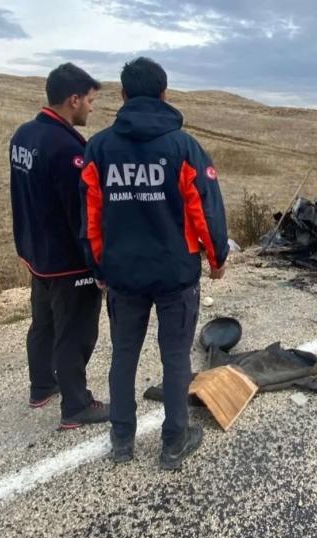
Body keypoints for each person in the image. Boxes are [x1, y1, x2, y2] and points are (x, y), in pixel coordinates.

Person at [79, 57, 229, 469]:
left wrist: (97, 267)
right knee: (176, 357)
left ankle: (121, 440)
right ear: (164, 94)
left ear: (123, 95)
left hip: (122, 274)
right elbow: (206, 210)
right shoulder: (183, 147)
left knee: (124, 355)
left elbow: (90, 217)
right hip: (175, 274)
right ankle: (173, 443)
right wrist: (217, 258)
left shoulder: (100, 148)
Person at [9, 63, 109, 429]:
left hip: (37, 254)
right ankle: (77, 405)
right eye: (90, 101)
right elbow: (81, 215)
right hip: (68, 261)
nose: (91, 109)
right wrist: (97, 264)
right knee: (76, 331)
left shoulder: (24, 135)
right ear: (74, 99)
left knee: (44, 323)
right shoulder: (68, 150)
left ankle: (41, 386)